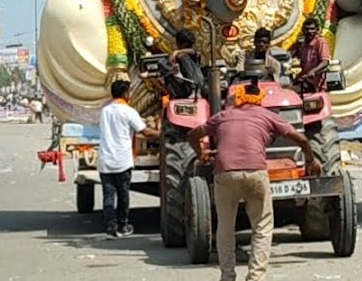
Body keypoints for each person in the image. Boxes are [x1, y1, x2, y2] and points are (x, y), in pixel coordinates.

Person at [187, 77, 321, 281]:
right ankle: (255, 277)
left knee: (225, 228)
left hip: (225, 173)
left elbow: (192, 135)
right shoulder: (267, 115)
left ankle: (227, 277)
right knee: (262, 227)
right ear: (259, 100)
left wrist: (201, 154)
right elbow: (302, 139)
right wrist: (310, 160)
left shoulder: (223, 115)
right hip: (255, 172)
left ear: (237, 99)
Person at [98, 80, 159, 237]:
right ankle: (123, 225)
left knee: (108, 196)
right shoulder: (129, 112)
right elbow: (144, 131)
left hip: (105, 160)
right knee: (123, 195)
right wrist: (161, 134)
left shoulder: (105, 111)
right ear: (126, 93)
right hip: (122, 161)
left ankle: (110, 226)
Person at [292, 17, 330, 93]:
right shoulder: (302, 44)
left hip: (314, 83)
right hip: (303, 79)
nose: (309, 31)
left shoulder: (320, 42)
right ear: (303, 30)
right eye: (306, 29)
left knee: (290, 92)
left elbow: (325, 62)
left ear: (317, 30)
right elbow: (291, 55)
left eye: (312, 29)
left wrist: (313, 71)